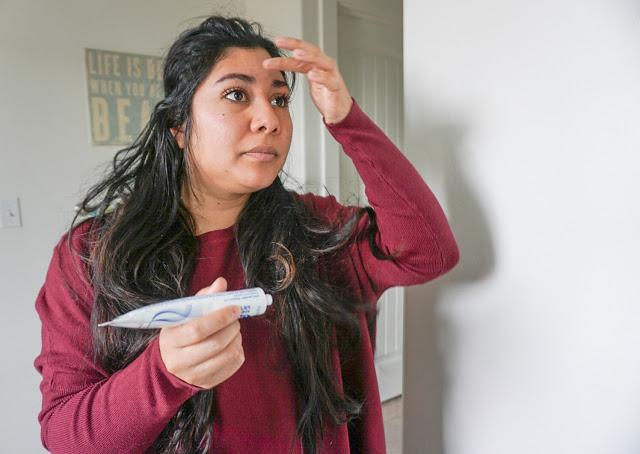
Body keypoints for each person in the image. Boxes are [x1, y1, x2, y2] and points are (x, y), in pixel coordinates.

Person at [34, 15, 459, 454]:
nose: (269, 119)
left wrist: (346, 119)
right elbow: (67, 436)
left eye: (279, 99)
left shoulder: (318, 231)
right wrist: (163, 374)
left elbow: (427, 252)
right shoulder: (91, 253)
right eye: (236, 94)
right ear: (178, 125)